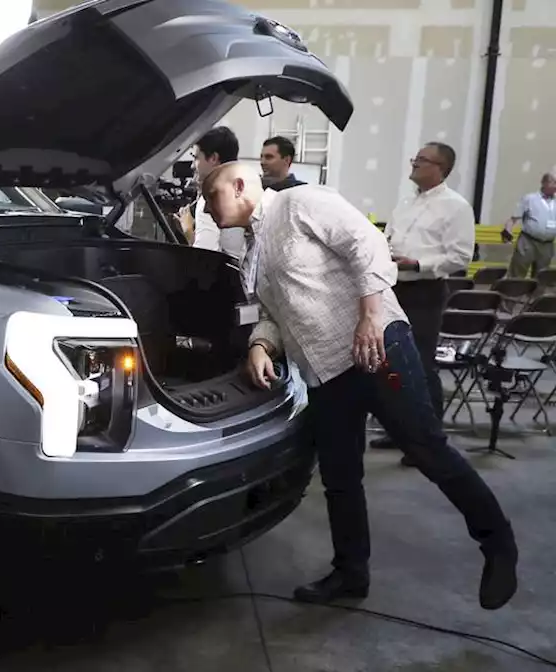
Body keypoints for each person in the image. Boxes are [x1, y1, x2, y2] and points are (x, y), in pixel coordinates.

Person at [202, 161, 517, 610]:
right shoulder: (251, 249)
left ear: (238, 185)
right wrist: (259, 345)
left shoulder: (300, 202)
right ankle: (351, 573)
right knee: (340, 478)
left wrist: (370, 315)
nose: (207, 206)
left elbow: (366, 243)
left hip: (378, 352)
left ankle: (498, 543)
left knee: (427, 448)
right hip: (325, 374)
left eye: (211, 195)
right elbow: (270, 313)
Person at [371, 143, 474, 460]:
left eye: (422, 160)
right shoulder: (405, 202)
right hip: (394, 288)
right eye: (414, 158)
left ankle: (428, 442)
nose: (414, 164)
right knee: (391, 362)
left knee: (421, 366)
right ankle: (399, 430)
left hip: (425, 291)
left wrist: (416, 264)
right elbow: (389, 237)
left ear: (441, 168)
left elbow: (460, 257)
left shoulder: (456, 207)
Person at [187, 127, 246, 263]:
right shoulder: (248, 187)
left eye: (196, 157)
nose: (192, 166)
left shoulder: (211, 198)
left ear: (213, 158)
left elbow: (204, 259)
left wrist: (188, 230)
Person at [500, 172, 556, 278]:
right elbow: (513, 219)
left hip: (547, 245)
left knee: (542, 277)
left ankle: (537, 295)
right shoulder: (530, 199)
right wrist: (508, 230)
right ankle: (514, 294)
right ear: (544, 183)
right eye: (554, 183)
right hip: (528, 242)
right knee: (517, 274)